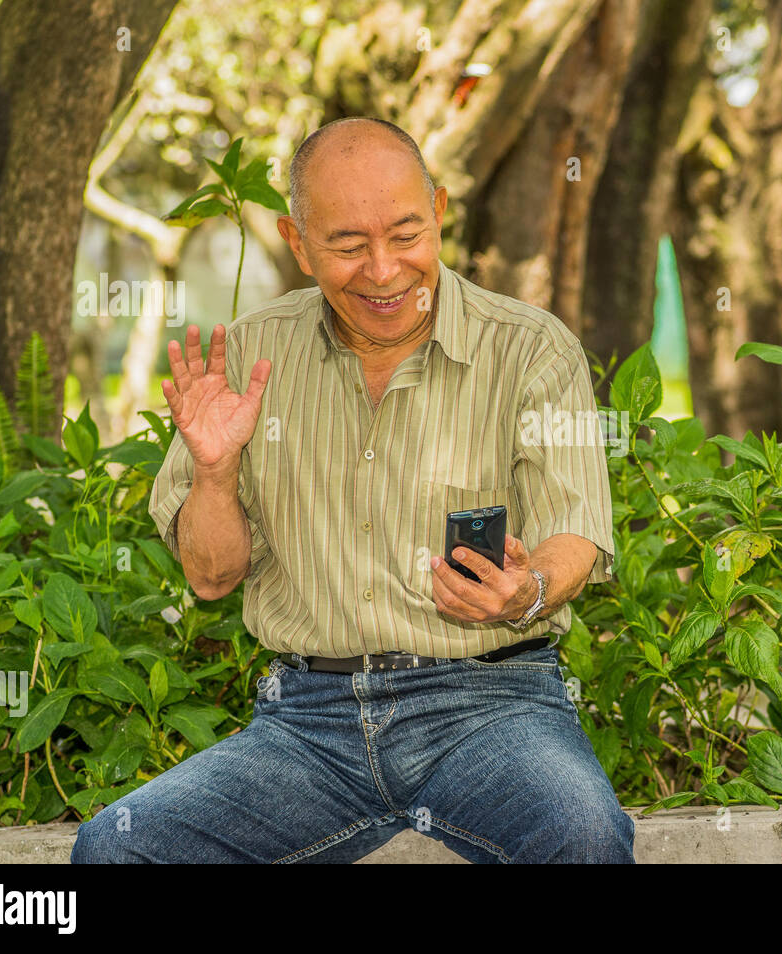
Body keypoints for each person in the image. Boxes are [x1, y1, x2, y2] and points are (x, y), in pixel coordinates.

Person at [71, 117, 634, 864]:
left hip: (491, 707)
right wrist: (214, 472)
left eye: (406, 234)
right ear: (297, 243)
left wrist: (527, 590)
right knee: (116, 851)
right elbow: (210, 576)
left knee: (585, 835)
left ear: (438, 211)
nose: (382, 269)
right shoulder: (249, 352)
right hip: (307, 724)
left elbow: (576, 532)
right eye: (345, 245)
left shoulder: (529, 347)